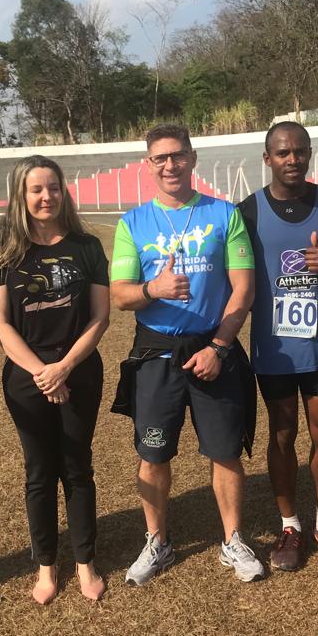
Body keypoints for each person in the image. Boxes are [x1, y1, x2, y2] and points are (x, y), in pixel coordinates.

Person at [110, 123, 263, 585]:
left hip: (214, 347)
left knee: (225, 452)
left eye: (177, 155)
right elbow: (120, 295)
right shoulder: (132, 223)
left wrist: (219, 345)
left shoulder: (224, 214)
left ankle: (233, 539)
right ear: (149, 164)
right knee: (153, 454)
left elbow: (244, 289)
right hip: (156, 351)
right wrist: (152, 288)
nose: (170, 165)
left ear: (192, 159)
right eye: (160, 158)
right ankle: (157, 540)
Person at [238, 121, 318, 572]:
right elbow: (235, 281)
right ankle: (289, 525)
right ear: (267, 159)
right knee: (282, 433)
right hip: (274, 349)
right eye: (283, 153)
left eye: (300, 152)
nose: (293, 160)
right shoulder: (248, 212)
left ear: (310, 155)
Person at [0, 156, 110, 604]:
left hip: (78, 370)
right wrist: (42, 372)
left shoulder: (87, 247)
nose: (46, 197)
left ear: (63, 191)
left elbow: (100, 317)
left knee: (77, 467)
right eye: (36, 189)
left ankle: (84, 560)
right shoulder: (4, 251)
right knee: (39, 471)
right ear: (22, 195)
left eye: (53, 187)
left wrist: (65, 368)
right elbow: (0, 323)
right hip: (28, 377)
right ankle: (45, 565)